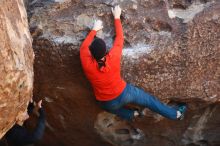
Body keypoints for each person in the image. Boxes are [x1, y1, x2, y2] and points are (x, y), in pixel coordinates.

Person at [80, 5, 186, 121]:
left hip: (108, 102)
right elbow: (120, 38)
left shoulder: (87, 64)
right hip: (125, 93)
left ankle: (131, 114)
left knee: (106, 106)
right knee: (150, 101)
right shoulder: (113, 57)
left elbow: (83, 47)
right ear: (106, 51)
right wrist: (116, 17)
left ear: (91, 54)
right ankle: (175, 115)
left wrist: (94, 30)